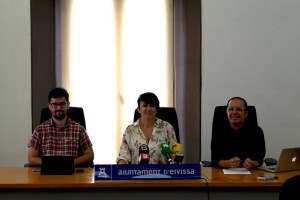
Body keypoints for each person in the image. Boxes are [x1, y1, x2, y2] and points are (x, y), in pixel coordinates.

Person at [27, 87, 94, 167]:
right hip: (47, 176)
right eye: (54, 104)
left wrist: (72, 163)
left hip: (72, 175)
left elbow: (90, 155)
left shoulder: (79, 130)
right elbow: (31, 158)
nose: (58, 108)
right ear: (49, 106)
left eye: (62, 104)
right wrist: (53, 164)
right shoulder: (39, 130)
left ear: (68, 105)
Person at [117, 92, 177, 164]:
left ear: (157, 110)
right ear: (138, 109)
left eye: (152, 106)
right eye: (145, 106)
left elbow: (174, 157)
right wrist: (121, 167)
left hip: (162, 174)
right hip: (136, 174)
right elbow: (123, 157)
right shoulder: (130, 130)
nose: (148, 109)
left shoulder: (167, 128)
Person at [211, 97, 265, 170]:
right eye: (231, 109)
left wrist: (253, 163)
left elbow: (259, 159)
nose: (234, 112)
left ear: (246, 113)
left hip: (250, 177)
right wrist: (228, 163)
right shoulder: (219, 131)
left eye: (239, 109)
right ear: (226, 113)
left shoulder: (257, 131)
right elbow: (214, 160)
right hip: (222, 176)